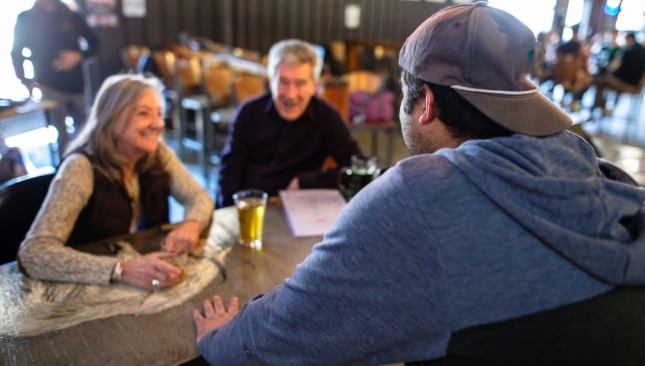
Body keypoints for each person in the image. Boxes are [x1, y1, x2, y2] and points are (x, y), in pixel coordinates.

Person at [192, 2, 645, 365]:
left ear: (424, 102)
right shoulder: (583, 156)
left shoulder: (418, 195)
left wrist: (218, 339)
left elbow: (280, 337)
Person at [17, 74, 214, 291]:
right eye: (143, 114)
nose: (158, 124)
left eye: (159, 114)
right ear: (111, 118)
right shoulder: (80, 167)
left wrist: (191, 224)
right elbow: (34, 253)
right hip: (89, 291)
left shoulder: (158, 154)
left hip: (146, 284)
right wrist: (119, 269)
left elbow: (199, 197)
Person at [216, 39, 364, 208]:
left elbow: (359, 169)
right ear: (271, 81)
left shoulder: (327, 117)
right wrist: (229, 214)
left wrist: (306, 182)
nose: (291, 95)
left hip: (300, 209)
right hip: (251, 209)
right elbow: (228, 176)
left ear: (314, 86)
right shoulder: (249, 112)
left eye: (300, 84)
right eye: (283, 82)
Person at [11, 0, 100, 156]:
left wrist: (79, 55)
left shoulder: (72, 15)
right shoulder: (27, 18)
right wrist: (26, 81)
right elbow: (16, 53)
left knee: (86, 132)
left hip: (76, 84)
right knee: (61, 136)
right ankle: (63, 170)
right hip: (49, 84)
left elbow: (95, 43)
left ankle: (88, 165)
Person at [592, 32, 645, 115]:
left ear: (630, 39)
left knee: (599, 80)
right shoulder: (642, 51)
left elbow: (622, 71)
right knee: (607, 79)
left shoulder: (629, 52)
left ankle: (600, 107)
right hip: (637, 85)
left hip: (627, 84)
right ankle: (607, 107)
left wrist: (612, 73)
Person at [551, 24, 592, 112]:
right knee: (580, 78)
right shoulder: (567, 47)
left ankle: (574, 100)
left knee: (583, 79)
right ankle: (574, 100)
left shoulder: (575, 47)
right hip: (567, 74)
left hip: (572, 73)